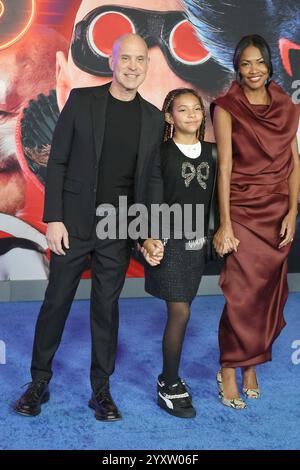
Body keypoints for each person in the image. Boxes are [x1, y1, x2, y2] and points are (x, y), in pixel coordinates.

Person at [13, 33, 165, 421]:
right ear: (112, 62)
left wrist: (148, 230)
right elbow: (58, 162)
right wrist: (55, 219)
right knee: (56, 303)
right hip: (74, 224)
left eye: (140, 61)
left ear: (146, 67)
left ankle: (101, 391)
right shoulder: (82, 101)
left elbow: (150, 182)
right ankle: (38, 383)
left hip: (118, 228)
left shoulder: (151, 117)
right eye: (125, 58)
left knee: (106, 309)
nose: (132, 66)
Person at [211, 35, 300, 409]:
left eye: (259, 63)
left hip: (278, 213)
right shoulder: (226, 106)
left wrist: (294, 212)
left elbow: (294, 163)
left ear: (269, 65)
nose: (253, 71)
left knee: (267, 297)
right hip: (243, 212)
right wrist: (225, 224)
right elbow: (225, 168)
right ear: (237, 67)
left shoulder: (285, 105)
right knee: (241, 295)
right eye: (245, 64)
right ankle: (230, 367)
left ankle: (252, 365)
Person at [141, 88, 217, 418]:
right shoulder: (160, 153)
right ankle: (169, 383)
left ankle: (169, 377)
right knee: (181, 313)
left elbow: (219, 197)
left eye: (196, 108)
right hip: (169, 242)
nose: (191, 114)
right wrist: (147, 238)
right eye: (182, 110)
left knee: (185, 307)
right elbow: (151, 199)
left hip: (197, 245)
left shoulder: (214, 153)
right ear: (170, 117)